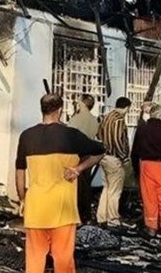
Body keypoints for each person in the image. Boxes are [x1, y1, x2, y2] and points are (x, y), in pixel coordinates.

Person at [16, 93, 105, 273]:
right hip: (63, 210)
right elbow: (100, 151)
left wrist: (23, 199)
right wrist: (79, 168)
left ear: (42, 110)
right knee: (63, 261)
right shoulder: (71, 135)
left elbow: (19, 171)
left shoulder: (26, 136)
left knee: (34, 261)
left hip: (36, 209)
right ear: (60, 110)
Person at [131, 103, 161, 237]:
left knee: (149, 198)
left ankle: (151, 227)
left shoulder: (141, 130)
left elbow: (134, 152)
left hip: (146, 166)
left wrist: (136, 170)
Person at [96, 96, 131, 227]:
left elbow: (98, 135)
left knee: (107, 188)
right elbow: (117, 140)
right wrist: (124, 157)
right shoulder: (118, 120)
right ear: (127, 108)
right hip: (114, 158)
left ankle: (101, 217)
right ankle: (113, 219)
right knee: (115, 190)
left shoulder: (106, 117)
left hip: (103, 156)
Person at [67, 94, 100, 224]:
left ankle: (75, 213)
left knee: (75, 185)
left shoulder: (76, 119)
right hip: (88, 156)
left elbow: (69, 136)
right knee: (86, 185)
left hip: (76, 155)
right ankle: (85, 214)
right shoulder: (94, 120)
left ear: (82, 104)